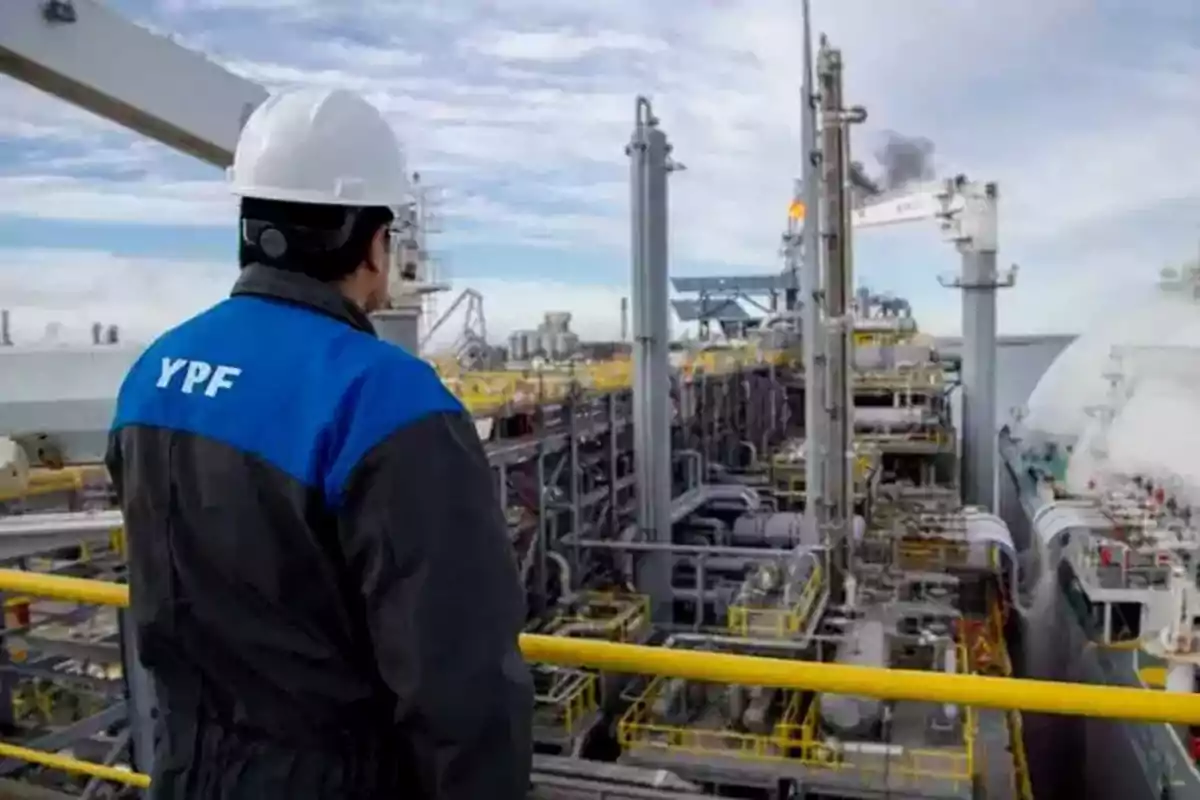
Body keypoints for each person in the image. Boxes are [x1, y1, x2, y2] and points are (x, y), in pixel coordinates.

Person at [106, 88, 533, 799]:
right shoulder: (390, 400)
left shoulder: (153, 376)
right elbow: (461, 688)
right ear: (371, 242)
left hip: (188, 772)